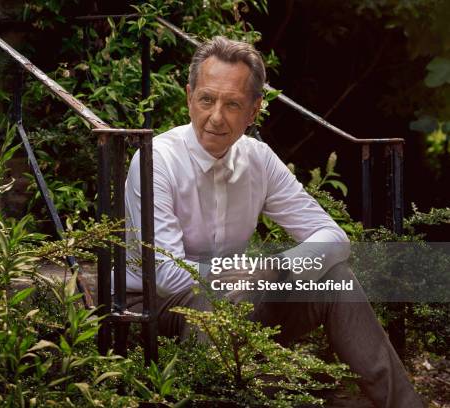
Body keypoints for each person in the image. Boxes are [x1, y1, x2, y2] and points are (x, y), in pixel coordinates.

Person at [123, 36, 423, 408]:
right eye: (206, 100)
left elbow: (333, 237)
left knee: (336, 278)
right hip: (156, 304)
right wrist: (244, 270)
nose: (216, 117)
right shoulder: (156, 161)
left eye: (232, 104)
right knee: (218, 309)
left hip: (238, 296)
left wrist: (278, 267)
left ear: (253, 110)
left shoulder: (259, 160)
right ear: (189, 97)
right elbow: (165, 274)